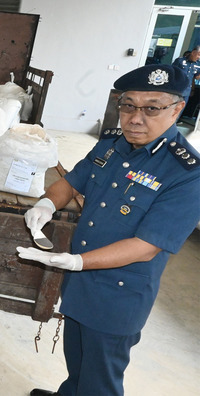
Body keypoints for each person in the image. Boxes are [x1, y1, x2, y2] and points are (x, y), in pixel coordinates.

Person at [17, 64, 200, 396]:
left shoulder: (187, 173)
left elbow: (147, 245)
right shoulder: (111, 145)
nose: (134, 118)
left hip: (119, 294)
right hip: (80, 282)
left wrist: (77, 262)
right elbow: (72, 181)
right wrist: (46, 204)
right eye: (128, 105)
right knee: (78, 360)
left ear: (177, 109)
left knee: (100, 379)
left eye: (151, 108)